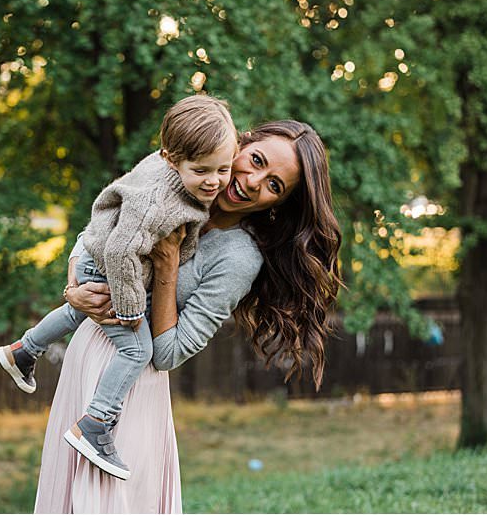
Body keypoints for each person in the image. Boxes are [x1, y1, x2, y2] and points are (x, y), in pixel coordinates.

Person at [32, 119, 342, 512]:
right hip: (86, 357)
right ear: (242, 144)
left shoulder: (239, 258)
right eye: (256, 161)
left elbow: (168, 354)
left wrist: (168, 264)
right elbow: (99, 226)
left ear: (277, 205)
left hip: (132, 385)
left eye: (273, 185)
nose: (252, 182)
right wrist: (74, 289)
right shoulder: (179, 177)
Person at [0, 94, 237, 479]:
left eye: (224, 169)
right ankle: (96, 424)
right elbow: (123, 247)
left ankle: (24, 350)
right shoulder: (158, 200)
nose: (215, 181)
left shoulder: (176, 178)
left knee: (78, 309)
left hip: (103, 259)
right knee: (138, 350)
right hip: (111, 265)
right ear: (171, 159)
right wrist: (128, 308)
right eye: (202, 170)